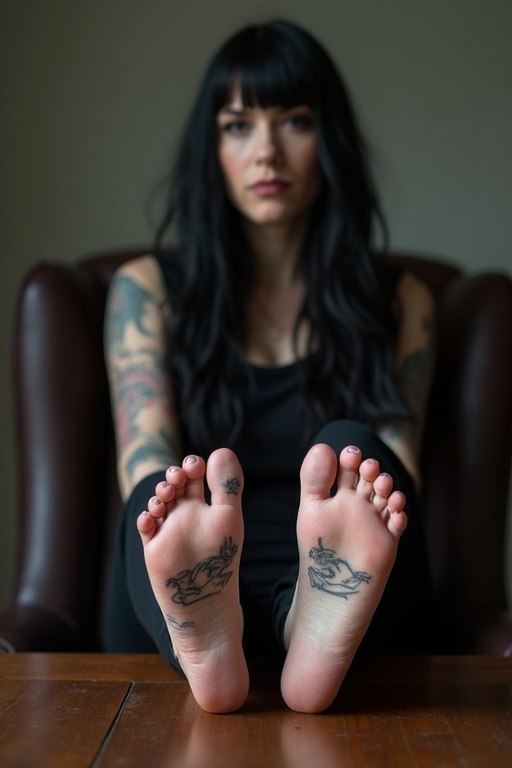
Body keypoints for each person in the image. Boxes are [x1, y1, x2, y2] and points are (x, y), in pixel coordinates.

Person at [102, 19, 436, 714]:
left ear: (330, 140)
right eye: (237, 125)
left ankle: (306, 621)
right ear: (212, 148)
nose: (266, 152)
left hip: (344, 589)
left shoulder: (401, 302)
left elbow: (399, 473)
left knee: (362, 455)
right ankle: (207, 631)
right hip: (193, 577)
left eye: (294, 122)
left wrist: (362, 497)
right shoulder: (147, 290)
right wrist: (176, 516)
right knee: (156, 499)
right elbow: (143, 457)